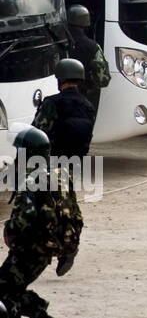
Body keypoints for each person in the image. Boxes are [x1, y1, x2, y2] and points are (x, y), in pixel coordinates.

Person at [32, 58, 94, 278]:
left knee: (44, 207)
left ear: (60, 79)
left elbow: (37, 133)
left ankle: (50, 249)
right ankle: (68, 244)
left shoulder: (52, 103)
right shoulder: (88, 105)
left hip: (49, 164)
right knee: (67, 205)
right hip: (74, 163)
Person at [0, 128, 62, 318]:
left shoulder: (33, 180)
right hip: (44, 250)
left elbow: (25, 217)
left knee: (3, 292)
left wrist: (10, 229)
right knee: (12, 287)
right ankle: (42, 317)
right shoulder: (54, 174)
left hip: (28, 250)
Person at [63, 5, 110, 113]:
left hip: (57, 98)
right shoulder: (92, 46)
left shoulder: (56, 42)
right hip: (82, 99)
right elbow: (103, 80)